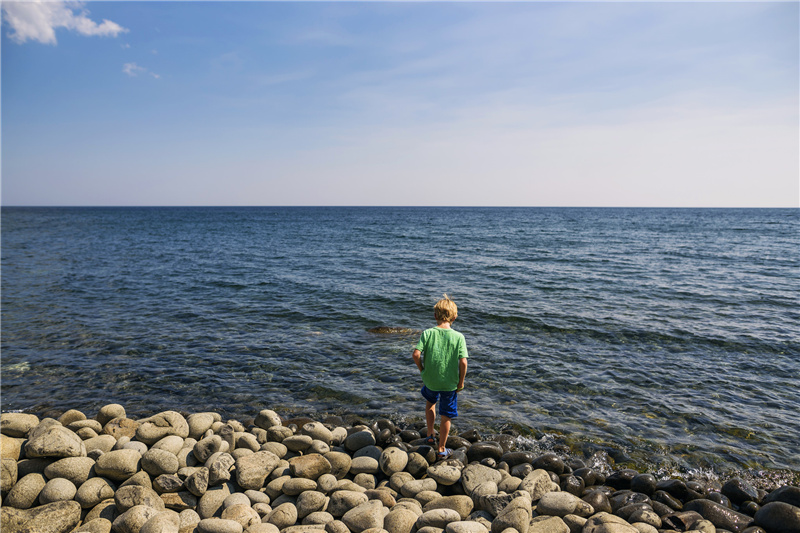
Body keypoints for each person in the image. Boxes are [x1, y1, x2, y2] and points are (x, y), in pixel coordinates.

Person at [412, 294, 468, 459]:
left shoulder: (428, 333)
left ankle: (430, 434)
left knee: (430, 403)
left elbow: (416, 354)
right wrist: (461, 382)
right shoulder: (459, 337)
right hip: (450, 383)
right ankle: (442, 448)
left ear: (435, 315)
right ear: (455, 317)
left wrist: (422, 369)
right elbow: (463, 363)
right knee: (446, 415)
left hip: (430, 380)